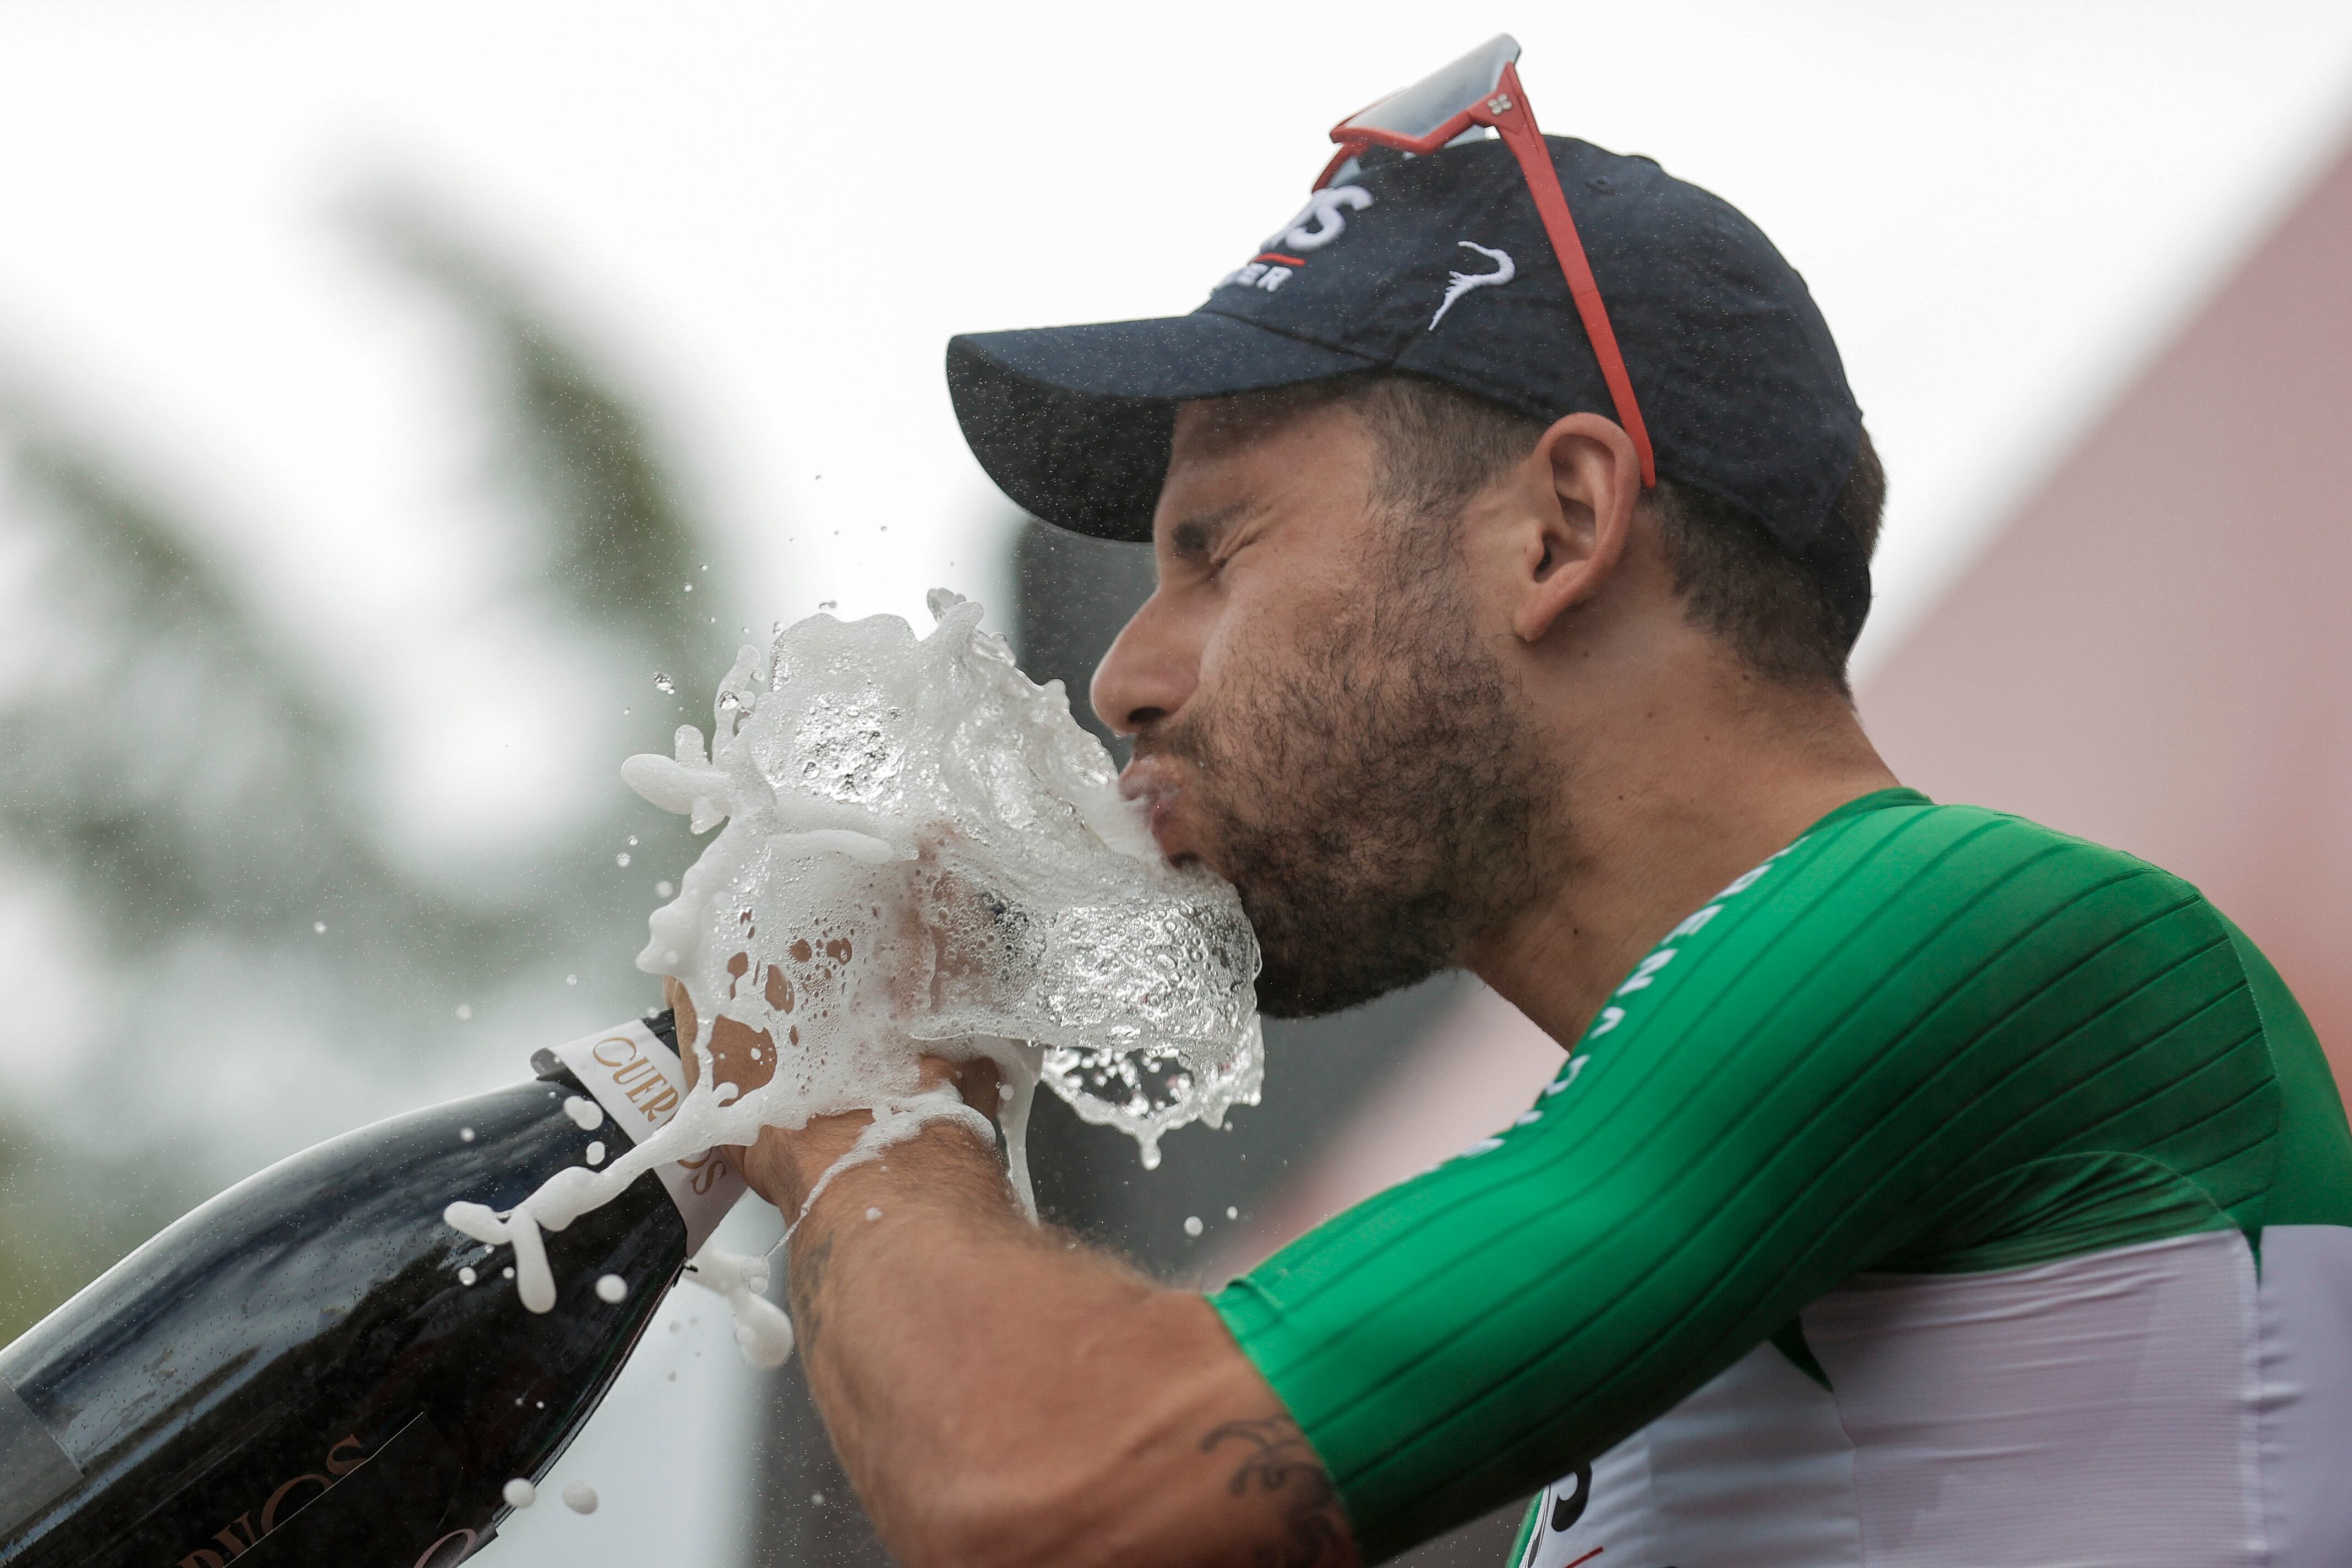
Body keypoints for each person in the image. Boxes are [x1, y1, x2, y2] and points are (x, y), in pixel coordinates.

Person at [672, 40, 2352, 1568]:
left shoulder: (1971, 931)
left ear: (1558, 525)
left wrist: (860, 1107)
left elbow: (1068, 1499)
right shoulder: (1700, 1170)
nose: (1126, 677)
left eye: (1214, 551)